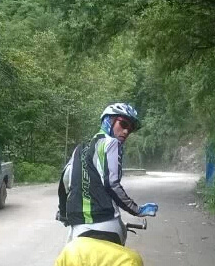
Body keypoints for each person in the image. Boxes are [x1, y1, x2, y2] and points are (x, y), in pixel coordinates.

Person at [57, 102, 158, 246]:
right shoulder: (111, 143)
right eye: (123, 124)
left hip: (77, 226)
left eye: (130, 129)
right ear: (108, 120)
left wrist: (63, 213)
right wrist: (137, 210)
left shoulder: (79, 148)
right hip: (106, 222)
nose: (126, 131)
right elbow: (111, 184)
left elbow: (65, 181)